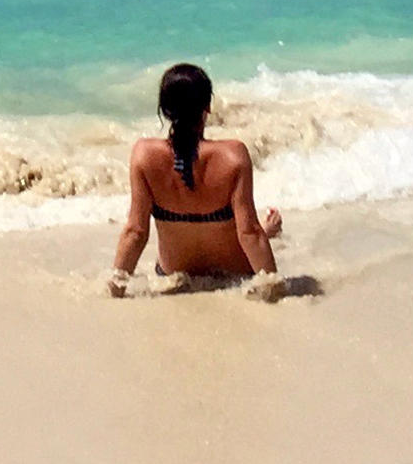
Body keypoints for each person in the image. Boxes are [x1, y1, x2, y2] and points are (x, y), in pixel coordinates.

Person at [107, 61, 285, 299]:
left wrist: (114, 290)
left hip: (174, 277)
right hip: (233, 275)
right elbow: (250, 234)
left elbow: (136, 232)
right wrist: (275, 291)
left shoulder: (144, 156)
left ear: (164, 109)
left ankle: (269, 230)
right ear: (208, 106)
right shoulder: (233, 156)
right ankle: (270, 231)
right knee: (260, 232)